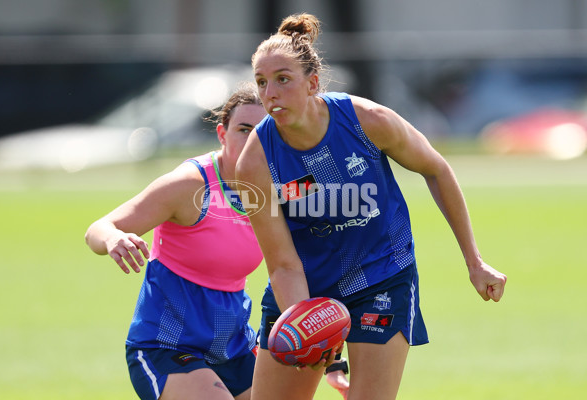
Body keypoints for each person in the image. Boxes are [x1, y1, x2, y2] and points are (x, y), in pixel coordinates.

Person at [235, 13, 508, 400]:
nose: (270, 93)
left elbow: (436, 169)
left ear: (312, 83)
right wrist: (311, 326)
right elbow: (283, 265)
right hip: (305, 286)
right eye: (262, 83)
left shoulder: (367, 120)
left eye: (283, 79)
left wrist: (474, 261)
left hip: (380, 274)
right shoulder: (254, 163)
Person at [84, 83, 267, 400]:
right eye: (243, 129)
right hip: (167, 346)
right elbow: (99, 228)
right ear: (222, 135)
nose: (253, 139)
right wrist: (114, 238)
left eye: (263, 131)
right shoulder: (189, 186)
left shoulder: (278, 188)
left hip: (233, 346)